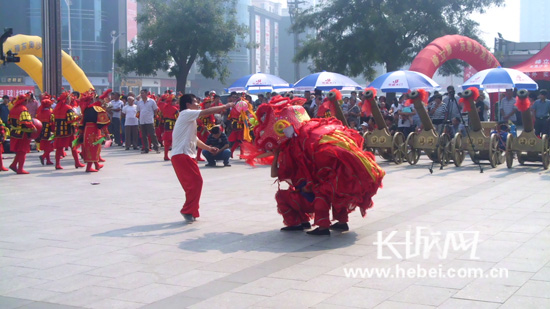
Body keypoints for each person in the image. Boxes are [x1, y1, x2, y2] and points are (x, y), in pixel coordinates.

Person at [170, 94, 235, 222]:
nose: (198, 104)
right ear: (188, 105)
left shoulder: (188, 119)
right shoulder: (186, 113)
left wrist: (208, 148)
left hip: (184, 155)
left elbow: (195, 139)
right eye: (195, 102)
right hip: (182, 155)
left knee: (194, 184)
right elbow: (206, 112)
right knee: (196, 183)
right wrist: (225, 106)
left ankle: (190, 210)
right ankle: (188, 210)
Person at [77, 91, 110, 172]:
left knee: (90, 147)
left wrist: (81, 133)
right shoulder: (97, 109)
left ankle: (97, 165)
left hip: (86, 130)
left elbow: (82, 123)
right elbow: (103, 124)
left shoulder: (86, 110)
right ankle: (89, 168)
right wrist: (107, 134)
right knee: (94, 147)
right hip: (94, 130)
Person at [52, 91, 85, 170]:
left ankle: (57, 164)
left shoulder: (56, 108)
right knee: (73, 147)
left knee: (59, 148)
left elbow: (53, 119)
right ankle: (77, 162)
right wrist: (79, 117)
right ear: (67, 99)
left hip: (59, 131)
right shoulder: (68, 108)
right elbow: (70, 120)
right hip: (69, 131)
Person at [8, 94, 36, 174]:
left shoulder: (13, 109)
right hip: (22, 134)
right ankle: (20, 169)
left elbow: (9, 121)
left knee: (19, 151)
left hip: (14, 133)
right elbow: (26, 121)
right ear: (24, 101)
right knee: (23, 151)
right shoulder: (23, 109)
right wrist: (33, 127)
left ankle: (13, 164)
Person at [136, 89, 160, 153]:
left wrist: (154, 115)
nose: (142, 95)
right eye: (141, 93)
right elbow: (138, 111)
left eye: (143, 93)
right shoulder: (139, 102)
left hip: (149, 120)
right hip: (142, 120)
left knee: (152, 134)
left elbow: (155, 109)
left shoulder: (152, 101)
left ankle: (156, 148)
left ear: (146, 94)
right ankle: (146, 148)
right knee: (144, 135)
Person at [36, 93, 55, 165]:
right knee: (50, 147)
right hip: (48, 132)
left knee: (45, 147)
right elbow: (52, 123)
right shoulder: (50, 112)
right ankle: (43, 156)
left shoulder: (40, 112)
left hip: (41, 132)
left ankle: (48, 160)